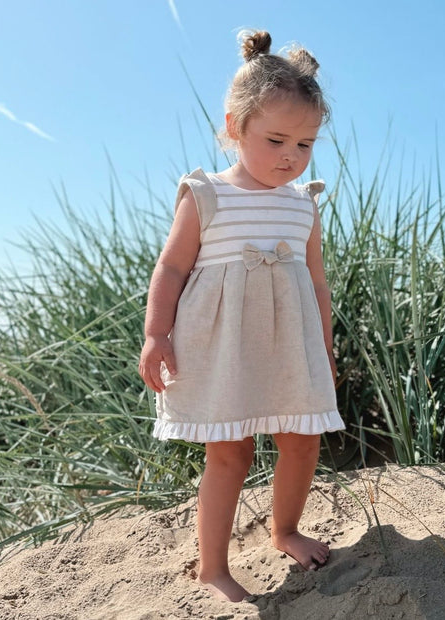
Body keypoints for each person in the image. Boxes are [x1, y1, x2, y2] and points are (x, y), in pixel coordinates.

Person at [139, 29, 345, 603]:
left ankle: (284, 531)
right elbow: (172, 270)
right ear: (234, 127)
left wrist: (324, 348)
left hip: (290, 345)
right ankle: (213, 567)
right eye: (276, 139)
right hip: (220, 345)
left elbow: (317, 281)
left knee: (302, 440)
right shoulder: (206, 194)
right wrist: (157, 333)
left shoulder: (303, 202)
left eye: (304, 144)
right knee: (230, 453)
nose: (290, 156)